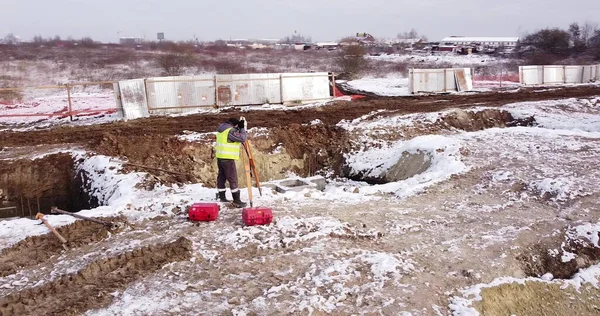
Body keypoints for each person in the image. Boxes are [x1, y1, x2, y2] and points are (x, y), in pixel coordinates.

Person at [215, 117, 247, 207]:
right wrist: (242, 129)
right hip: (227, 158)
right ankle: (237, 201)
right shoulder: (230, 131)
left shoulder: (221, 129)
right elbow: (242, 139)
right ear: (235, 125)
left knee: (221, 177)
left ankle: (222, 197)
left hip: (220, 157)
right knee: (233, 179)